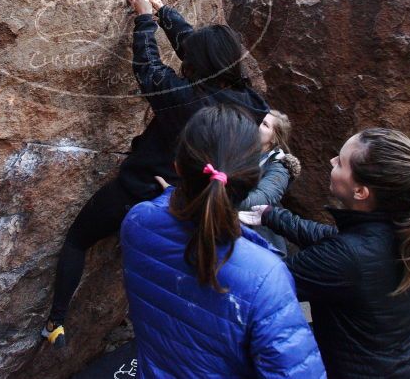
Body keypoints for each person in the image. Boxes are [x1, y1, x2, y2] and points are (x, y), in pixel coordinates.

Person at [42, 0, 270, 347]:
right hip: (187, 199)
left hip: (140, 189)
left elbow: (149, 68)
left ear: (197, 67)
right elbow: (195, 50)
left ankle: (55, 322)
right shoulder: (250, 101)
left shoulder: (186, 100)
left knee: (77, 240)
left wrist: (145, 19)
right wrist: (162, 8)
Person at [120, 104, 325, 378]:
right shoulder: (266, 275)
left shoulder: (137, 222)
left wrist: (172, 198)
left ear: (177, 167)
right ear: (248, 178)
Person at [240, 128, 410, 378]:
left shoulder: (346, 258)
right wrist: (273, 216)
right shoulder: (405, 227)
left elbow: (259, 284)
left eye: (341, 162)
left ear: (360, 192)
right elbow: (335, 240)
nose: (332, 161)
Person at [237, 109, 300, 256]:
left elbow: (262, 198)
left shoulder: (280, 166)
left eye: (265, 124)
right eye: (259, 120)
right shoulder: (240, 148)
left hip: (256, 233)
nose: (258, 124)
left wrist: (219, 196)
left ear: (274, 139)